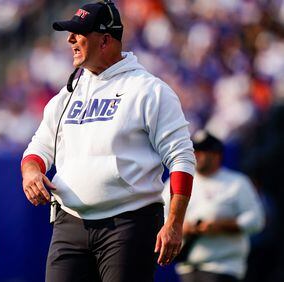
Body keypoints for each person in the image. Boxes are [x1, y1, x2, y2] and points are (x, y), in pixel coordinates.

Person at [20, 1, 196, 281]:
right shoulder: (66, 96)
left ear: (105, 40)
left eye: (79, 33)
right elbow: (38, 149)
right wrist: (31, 172)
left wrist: (174, 223)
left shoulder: (148, 90)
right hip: (70, 223)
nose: (70, 40)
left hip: (128, 223)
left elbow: (181, 159)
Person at [163, 131, 265, 282]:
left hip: (223, 267)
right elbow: (161, 216)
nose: (196, 155)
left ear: (217, 155)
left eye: (202, 151)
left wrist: (221, 226)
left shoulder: (237, 182)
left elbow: (256, 220)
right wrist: (183, 227)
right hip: (187, 267)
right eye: (194, 151)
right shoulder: (178, 182)